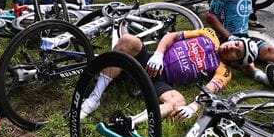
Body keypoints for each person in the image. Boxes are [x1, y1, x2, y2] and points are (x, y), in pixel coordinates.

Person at [79, 28, 256, 122]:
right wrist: (159, 54)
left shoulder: (224, 71)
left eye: (236, 53)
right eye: (236, 44)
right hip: (151, 60)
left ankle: (131, 122)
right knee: (128, 41)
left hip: (161, 81)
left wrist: (193, 107)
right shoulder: (208, 34)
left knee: (178, 101)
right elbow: (172, 36)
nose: (231, 47)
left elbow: (209, 91)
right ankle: (93, 100)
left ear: (236, 62)